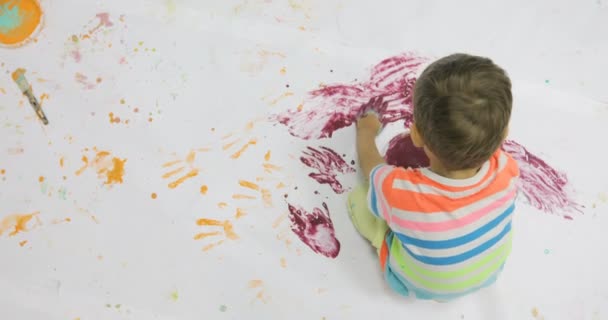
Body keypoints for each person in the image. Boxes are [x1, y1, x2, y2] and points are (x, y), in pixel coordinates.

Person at [348, 53, 520, 301]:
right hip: (489, 273)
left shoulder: (400, 191)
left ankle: (381, 242)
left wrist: (366, 130)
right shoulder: (507, 167)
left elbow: (371, 167)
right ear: (504, 134)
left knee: (361, 198)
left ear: (415, 134)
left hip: (419, 284)